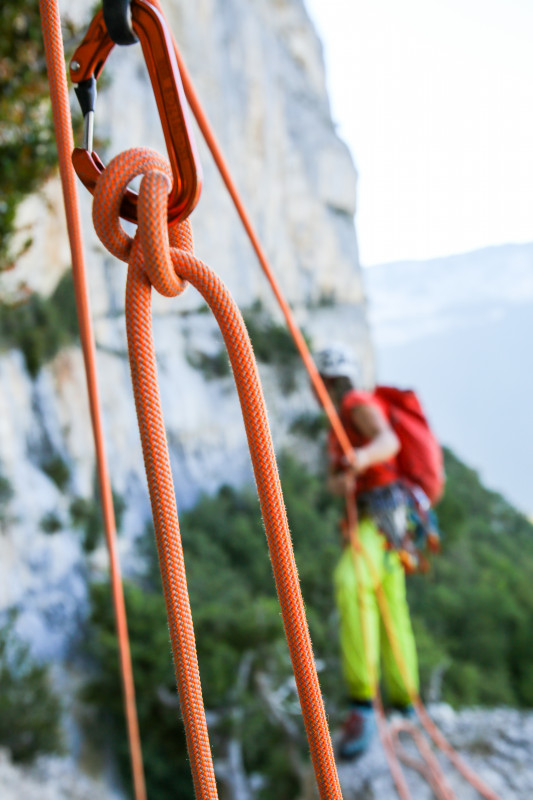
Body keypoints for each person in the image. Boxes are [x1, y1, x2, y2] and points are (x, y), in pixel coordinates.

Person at [314, 343, 419, 760]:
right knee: (391, 605)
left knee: (352, 582)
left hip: (381, 516)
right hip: (392, 520)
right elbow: (335, 482)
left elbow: (387, 441)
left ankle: (363, 705)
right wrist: (342, 480)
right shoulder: (336, 423)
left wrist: (360, 458)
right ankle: (404, 701)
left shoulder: (356, 403)